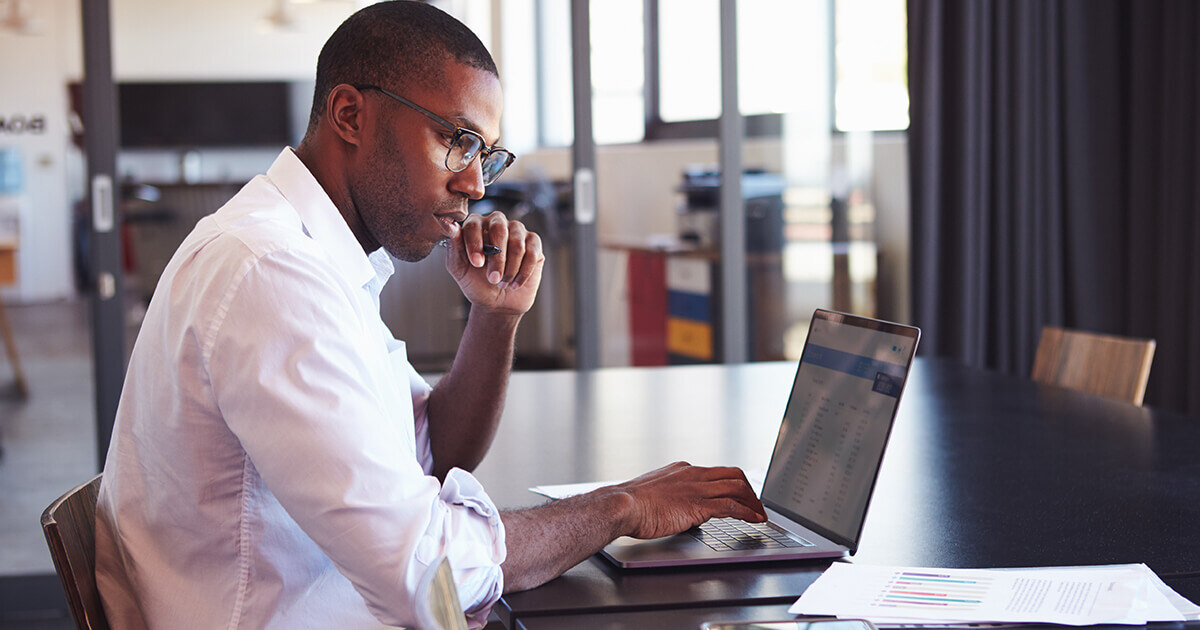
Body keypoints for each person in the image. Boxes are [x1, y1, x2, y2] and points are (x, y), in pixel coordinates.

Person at [94, 2, 766, 628]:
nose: (475, 183)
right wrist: (621, 506)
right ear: (351, 116)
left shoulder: (315, 260)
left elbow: (431, 451)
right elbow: (427, 575)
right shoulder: (271, 271)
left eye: (487, 155)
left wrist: (494, 317)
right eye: (458, 140)